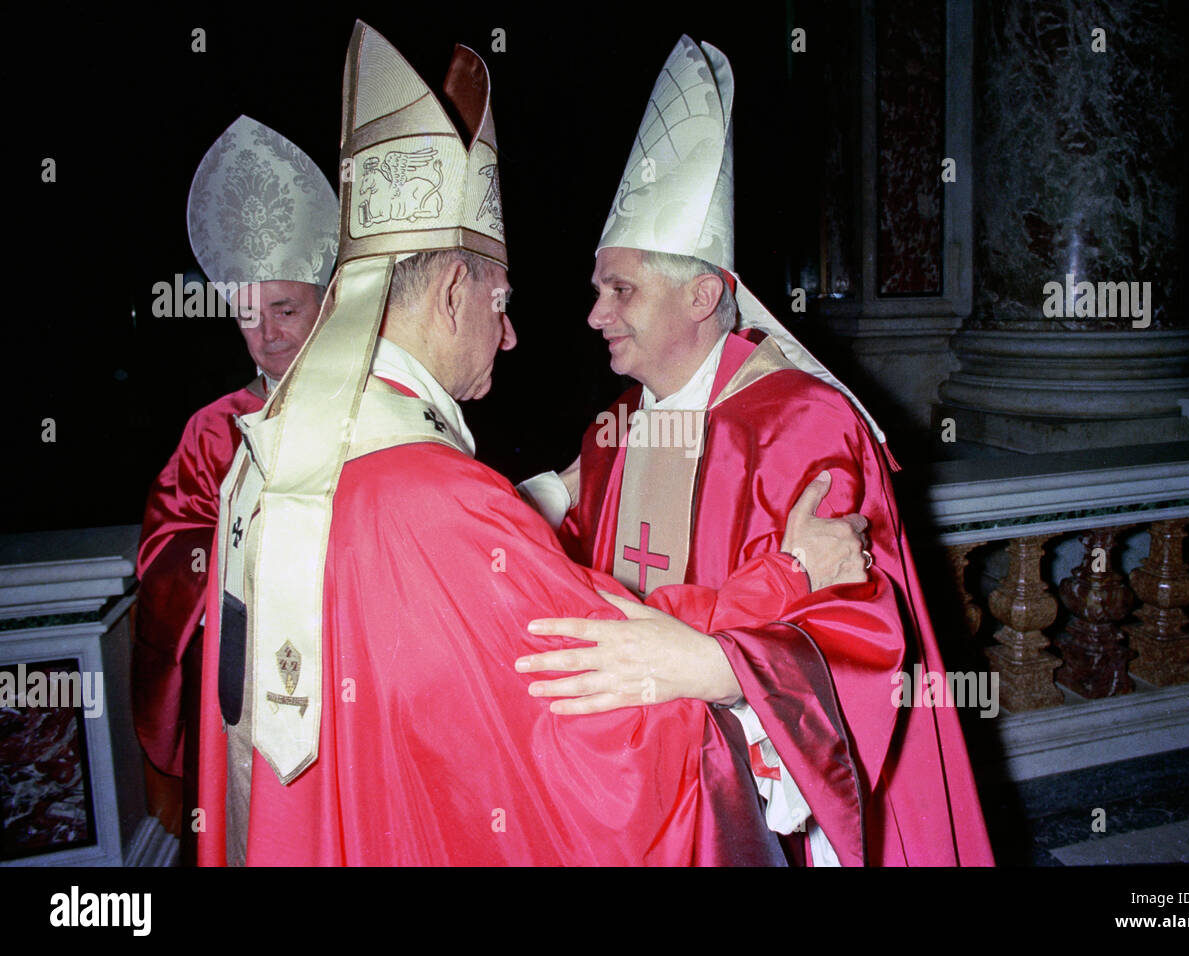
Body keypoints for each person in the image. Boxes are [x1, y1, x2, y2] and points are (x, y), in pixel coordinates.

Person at [194, 23, 861, 866]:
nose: (509, 336)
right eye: (500, 300)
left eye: (621, 289)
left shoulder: (274, 453)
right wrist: (785, 589)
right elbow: (618, 740)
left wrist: (538, 500)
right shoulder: (437, 500)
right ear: (448, 292)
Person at [519, 36, 994, 866]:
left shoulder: (804, 424)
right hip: (647, 783)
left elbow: (864, 631)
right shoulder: (619, 426)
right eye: (599, 289)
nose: (594, 313)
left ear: (705, 294)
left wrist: (717, 668)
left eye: (619, 289)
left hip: (775, 796)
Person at [132, 115, 336, 853]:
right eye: (250, 317)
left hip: (346, 677)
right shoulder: (213, 429)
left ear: (326, 305)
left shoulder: (370, 413)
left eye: (286, 310)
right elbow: (164, 553)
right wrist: (236, 554)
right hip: (247, 687)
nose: (269, 335)